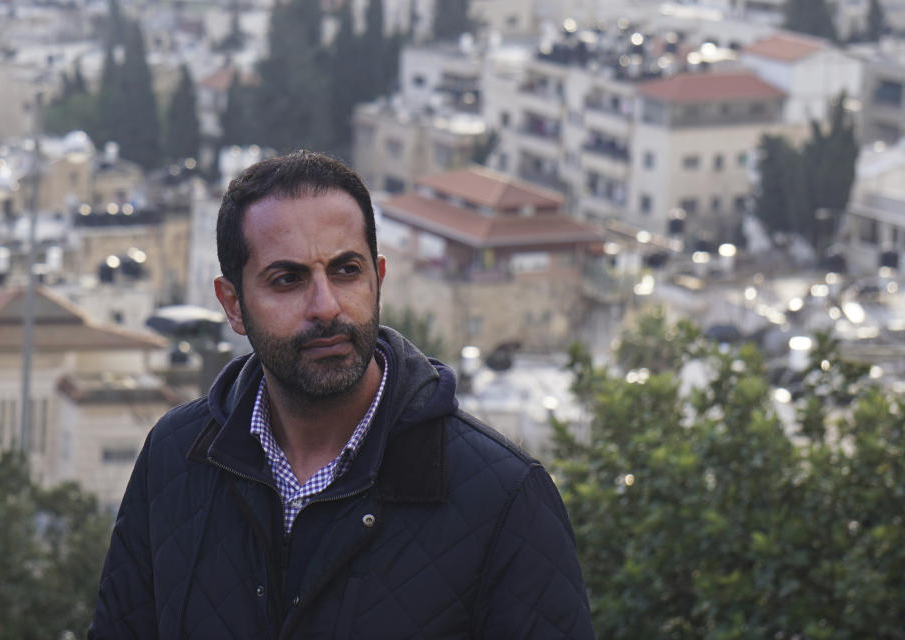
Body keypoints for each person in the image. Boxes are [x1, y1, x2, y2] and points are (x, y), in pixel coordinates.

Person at [89, 151, 596, 639]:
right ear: (233, 305)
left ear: (377, 278)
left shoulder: (503, 498)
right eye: (287, 279)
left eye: (345, 271)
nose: (325, 306)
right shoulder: (176, 457)